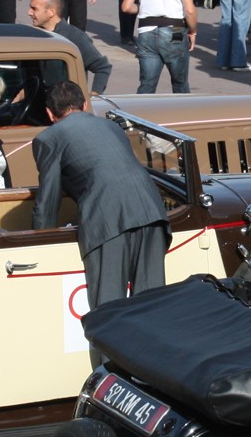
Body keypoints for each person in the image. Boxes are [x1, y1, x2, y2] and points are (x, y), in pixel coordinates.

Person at [31, 81, 169, 309]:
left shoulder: (49, 138)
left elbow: (48, 200)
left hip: (107, 220)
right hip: (151, 210)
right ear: (84, 105)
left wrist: (41, 242)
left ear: (49, 113)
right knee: (152, 306)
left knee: (109, 311)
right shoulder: (112, 127)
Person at [28, 0, 109, 95]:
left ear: (51, 11)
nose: (29, 12)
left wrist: (93, 97)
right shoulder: (35, 36)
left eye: (34, 9)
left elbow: (102, 67)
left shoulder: (74, 37)